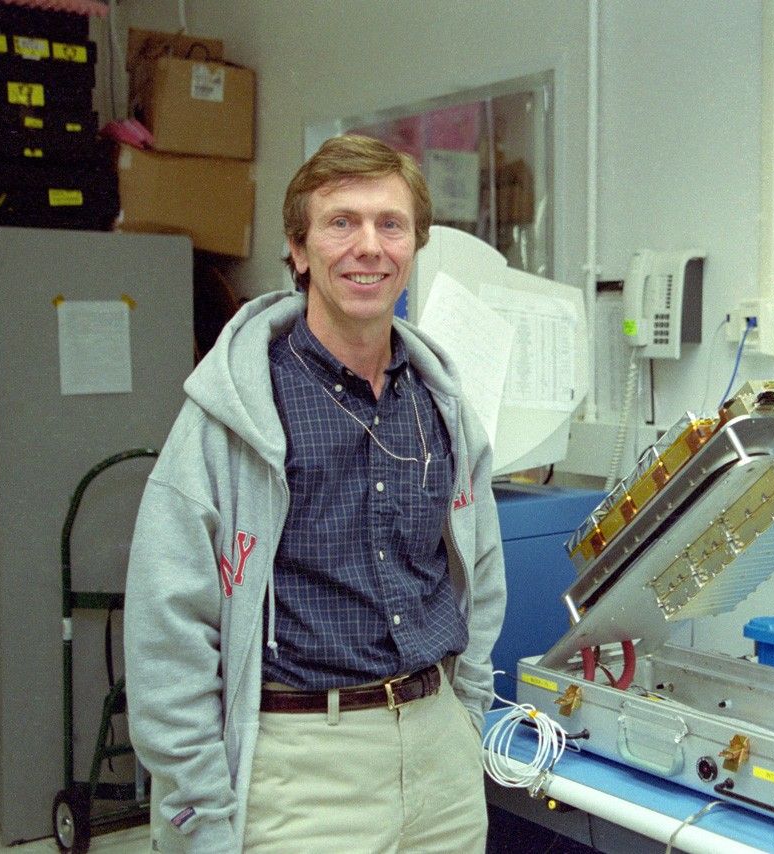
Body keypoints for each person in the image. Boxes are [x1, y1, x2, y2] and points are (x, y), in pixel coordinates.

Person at [125, 134, 506, 853]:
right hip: (299, 770)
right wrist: (198, 808)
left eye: (390, 224)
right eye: (341, 223)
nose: (369, 245)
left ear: (414, 247)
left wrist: (466, 716)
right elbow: (166, 622)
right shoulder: (234, 413)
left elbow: (480, 572)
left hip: (440, 760)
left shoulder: (443, 407)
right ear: (298, 251)